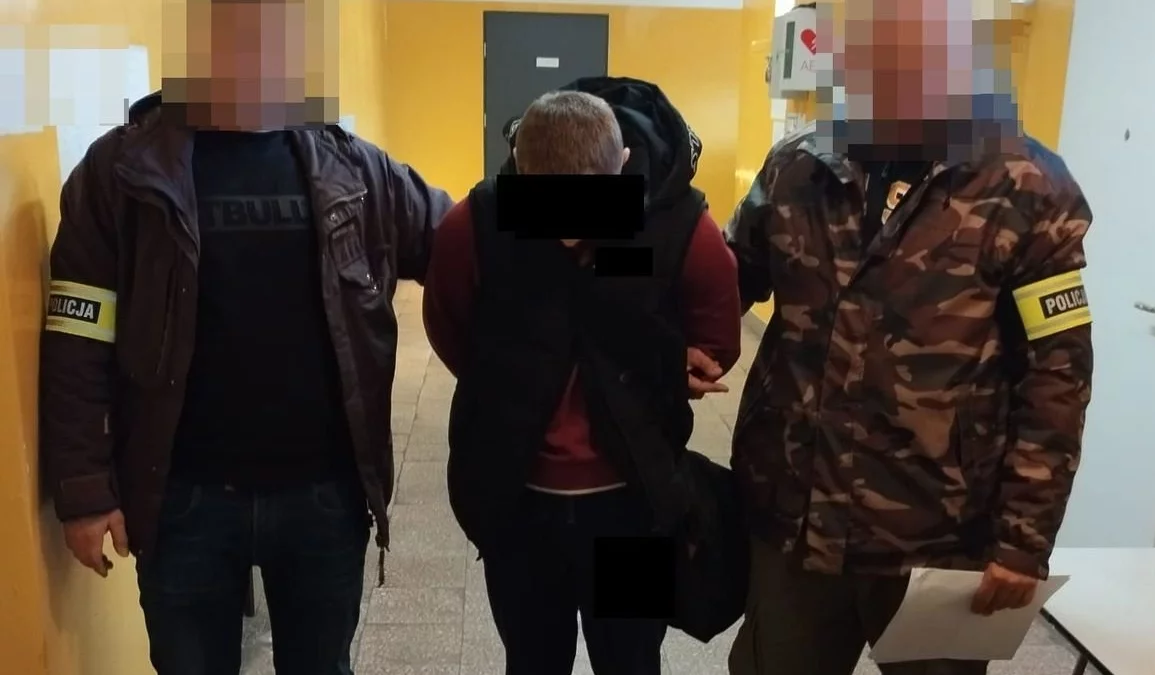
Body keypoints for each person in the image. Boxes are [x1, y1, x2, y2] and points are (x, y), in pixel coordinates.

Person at [38, 2, 452, 674]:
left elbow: (465, 238)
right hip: (182, 499)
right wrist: (85, 490)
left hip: (324, 495)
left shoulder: (354, 168)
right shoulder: (121, 173)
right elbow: (76, 338)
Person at [713, 1, 1096, 673]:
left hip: (941, 533)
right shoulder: (797, 166)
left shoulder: (1027, 185)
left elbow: (1057, 376)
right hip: (797, 517)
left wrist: (1023, 540)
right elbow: (728, 279)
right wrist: (682, 330)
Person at [422, 80, 742, 675]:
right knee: (533, 659)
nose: (568, 233)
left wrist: (659, 362)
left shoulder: (677, 222)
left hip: (632, 504)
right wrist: (513, 376)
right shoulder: (478, 222)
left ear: (624, 165)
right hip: (518, 501)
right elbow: (451, 327)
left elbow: (717, 340)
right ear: (521, 169)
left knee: (630, 661)